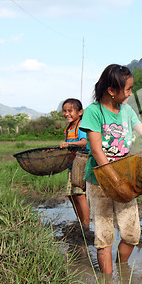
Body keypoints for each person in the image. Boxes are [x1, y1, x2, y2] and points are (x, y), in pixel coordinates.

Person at [80, 64, 142, 274]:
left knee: (132, 235)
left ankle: (121, 271)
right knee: (104, 236)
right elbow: (97, 152)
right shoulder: (93, 112)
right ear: (111, 90)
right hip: (101, 180)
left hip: (124, 178)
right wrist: (114, 180)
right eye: (127, 89)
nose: (130, 93)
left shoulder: (127, 111)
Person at [59, 98, 90, 229]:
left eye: (70, 111)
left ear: (80, 112)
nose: (67, 114)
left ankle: (86, 225)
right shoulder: (68, 129)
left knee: (79, 194)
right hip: (72, 165)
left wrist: (69, 144)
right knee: (71, 195)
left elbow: (84, 142)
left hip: (82, 164)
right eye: (64, 111)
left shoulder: (81, 126)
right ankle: (80, 221)